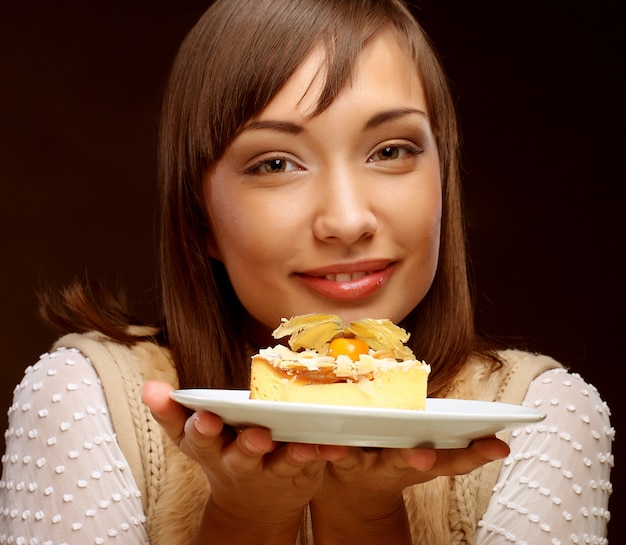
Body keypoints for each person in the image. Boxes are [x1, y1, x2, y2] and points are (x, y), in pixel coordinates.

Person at [0, 0, 613, 543]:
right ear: (201, 217)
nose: (346, 221)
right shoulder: (86, 399)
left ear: (444, 177)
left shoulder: (543, 414)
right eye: (274, 163)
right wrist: (245, 520)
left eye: (391, 151)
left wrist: (367, 519)